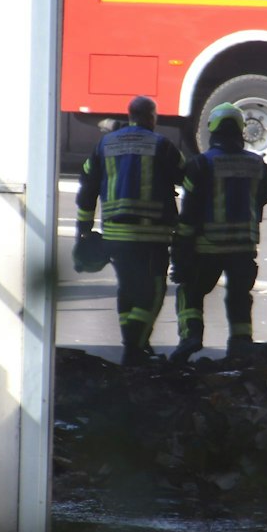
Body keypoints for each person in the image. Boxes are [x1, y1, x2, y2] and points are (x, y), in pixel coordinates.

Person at [77, 95, 183, 366]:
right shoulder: (162, 145)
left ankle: (137, 345)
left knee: (127, 288)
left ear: (130, 115)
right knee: (153, 290)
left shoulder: (104, 144)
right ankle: (134, 350)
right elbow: (187, 177)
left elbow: (87, 188)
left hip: (114, 236)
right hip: (152, 236)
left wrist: (84, 231)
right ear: (152, 118)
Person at [168, 103, 267, 363]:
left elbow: (190, 214)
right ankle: (241, 344)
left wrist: (180, 254)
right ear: (240, 131)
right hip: (243, 247)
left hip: (207, 247)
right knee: (240, 297)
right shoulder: (258, 165)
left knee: (190, 292)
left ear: (213, 131)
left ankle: (191, 337)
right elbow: (265, 194)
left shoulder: (201, 164)